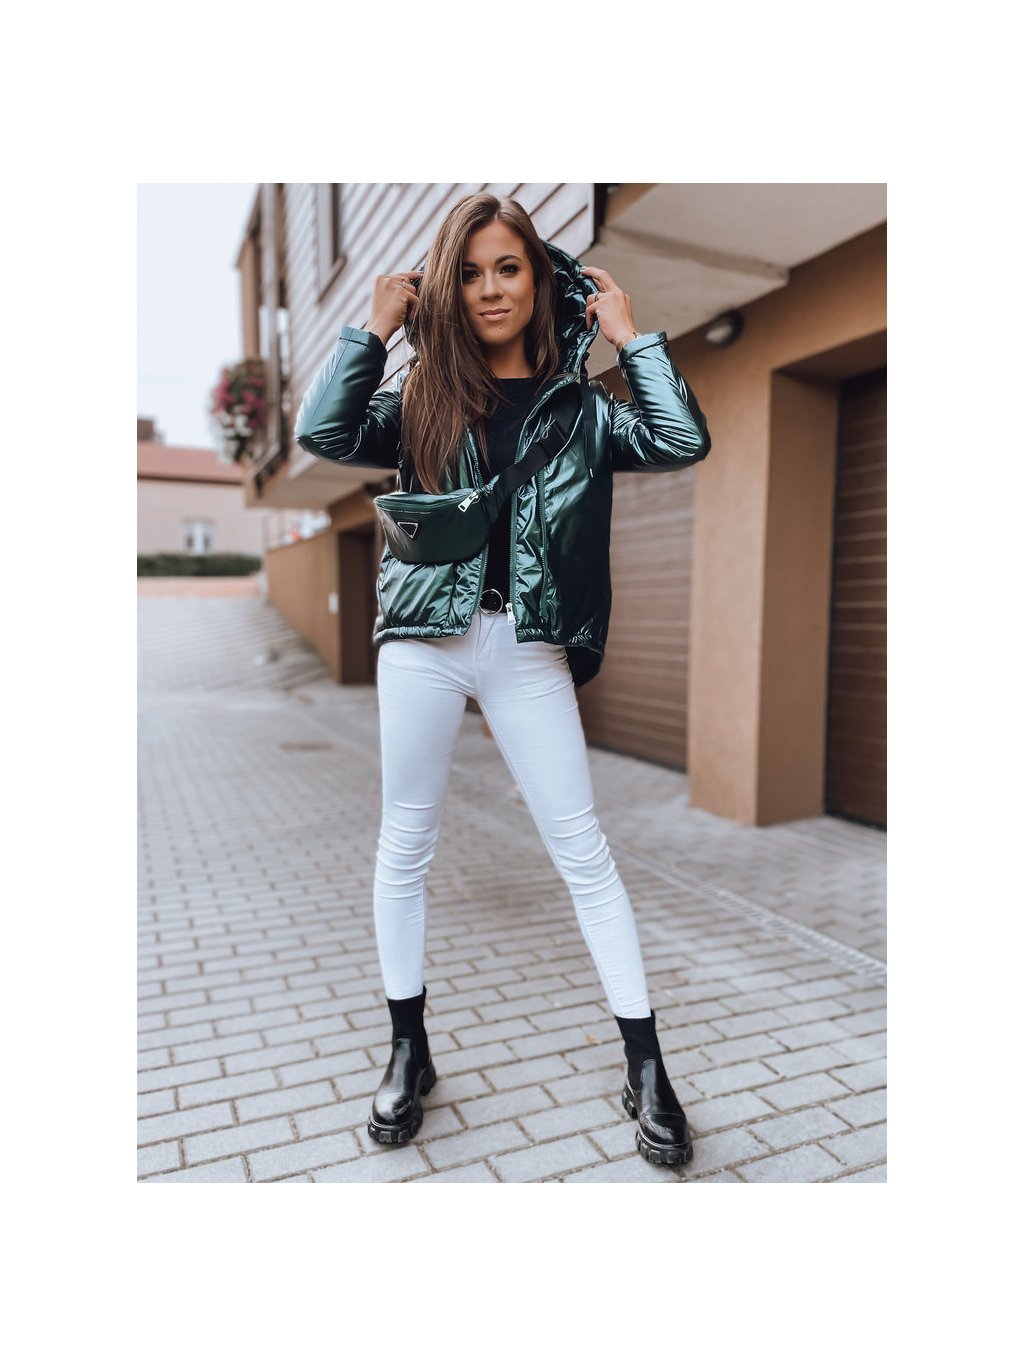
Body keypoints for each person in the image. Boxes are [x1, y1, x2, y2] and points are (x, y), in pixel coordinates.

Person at [294, 192, 711, 1168]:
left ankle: (647, 1066)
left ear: (539, 279)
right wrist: (371, 330)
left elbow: (681, 439)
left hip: (528, 649)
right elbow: (323, 434)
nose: (490, 288)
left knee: (583, 851)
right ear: (449, 285)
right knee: (406, 844)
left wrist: (630, 338)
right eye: (471, 271)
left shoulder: (585, 408)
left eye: (508, 267)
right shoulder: (420, 398)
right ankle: (408, 1050)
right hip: (422, 643)